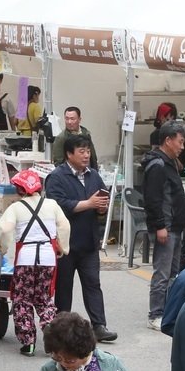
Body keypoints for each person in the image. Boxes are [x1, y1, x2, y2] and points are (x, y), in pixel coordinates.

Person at [44, 133, 116, 342]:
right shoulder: (57, 177)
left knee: (93, 284)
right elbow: (58, 205)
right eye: (81, 151)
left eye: (88, 151)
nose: (86, 155)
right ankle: (61, 329)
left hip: (89, 241)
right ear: (69, 154)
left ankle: (99, 325)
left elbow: (100, 201)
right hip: (65, 244)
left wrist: (101, 208)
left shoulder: (93, 175)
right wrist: (89, 204)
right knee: (64, 287)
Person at [0, 168, 69, 356]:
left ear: (20, 190)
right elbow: (65, 225)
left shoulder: (15, 208)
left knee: (22, 300)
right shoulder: (51, 204)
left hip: (26, 258)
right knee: (45, 300)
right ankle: (54, 344)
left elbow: (5, 230)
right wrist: (63, 247)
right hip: (47, 258)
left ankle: (28, 343)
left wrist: (2, 249)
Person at [141, 122, 185, 328]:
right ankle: (156, 314)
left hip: (175, 226)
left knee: (172, 272)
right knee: (162, 272)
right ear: (168, 140)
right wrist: (161, 226)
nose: (182, 147)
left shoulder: (170, 162)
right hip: (166, 227)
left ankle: (169, 310)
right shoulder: (158, 165)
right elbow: (153, 199)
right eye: (180, 142)